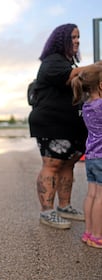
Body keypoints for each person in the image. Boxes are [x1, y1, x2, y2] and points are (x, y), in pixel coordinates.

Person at [28, 23, 88, 229]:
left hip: (69, 125)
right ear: (61, 39)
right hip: (50, 123)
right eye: (72, 37)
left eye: (78, 37)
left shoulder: (67, 62)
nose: (77, 41)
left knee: (67, 164)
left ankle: (64, 206)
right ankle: (47, 212)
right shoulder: (52, 61)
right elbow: (75, 75)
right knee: (52, 165)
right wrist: (98, 66)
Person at [71, 64, 102, 247]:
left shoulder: (88, 105)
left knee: (91, 194)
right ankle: (98, 236)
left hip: (91, 156)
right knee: (100, 196)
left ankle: (89, 233)